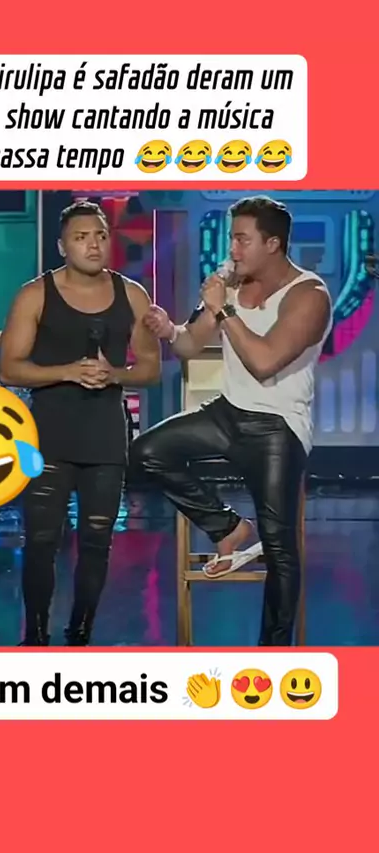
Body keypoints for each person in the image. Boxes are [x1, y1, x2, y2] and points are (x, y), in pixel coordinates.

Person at [131, 196, 332, 646]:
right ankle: (226, 526)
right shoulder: (234, 286)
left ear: (273, 244)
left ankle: (272, 652)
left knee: (279, 548)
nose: (233, 250)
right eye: (232, 239)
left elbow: (264, 362)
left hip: (278, 426)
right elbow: (188, 345)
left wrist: (224, 310)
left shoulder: (310, 295)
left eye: (242, 240)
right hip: (228, 412)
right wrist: (169, 329)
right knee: (146, 452)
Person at [0, 200, 161, 646]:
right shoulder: (34, 295)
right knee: (41, 540)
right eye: (81, 237)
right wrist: (67, 371)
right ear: (62, 245)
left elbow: (150, 369)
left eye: (101, 236)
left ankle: (81, 631)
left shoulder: (133, 295)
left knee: (96, 540)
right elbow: (9, 368)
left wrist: (116, 375)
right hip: (48, 435)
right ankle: (35, 635)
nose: (93, 244)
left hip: (105, 436)